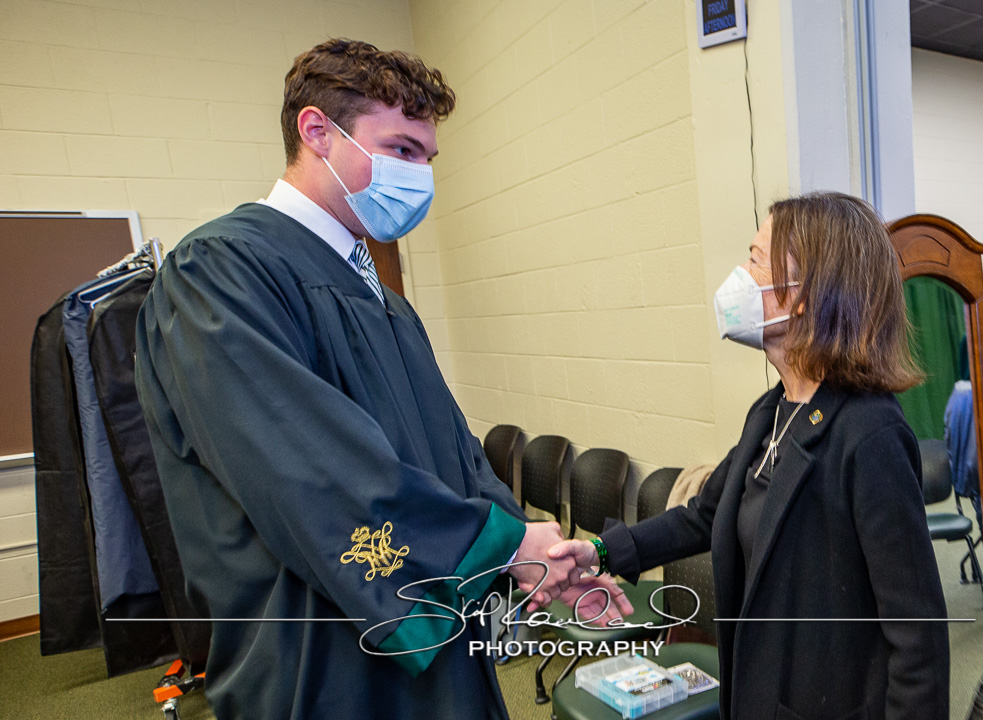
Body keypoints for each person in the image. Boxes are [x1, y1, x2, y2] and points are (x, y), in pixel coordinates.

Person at [134, 39, 625, 720]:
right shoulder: (221, 272)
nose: (419, 174)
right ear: (317, 132)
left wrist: (528, 551)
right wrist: (505, 544)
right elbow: (308, 469)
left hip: (433, 627)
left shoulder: (383, 298)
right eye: (400, 150)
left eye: (427, 157)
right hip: (326, 651)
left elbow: (455, 460)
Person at [550, 192, 951, 719]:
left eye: (757, 258)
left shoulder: (869, 432)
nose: (740, 272)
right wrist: (600, 552)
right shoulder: (770, 410)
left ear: (806, 294)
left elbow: (917, 635)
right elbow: (706, 514)